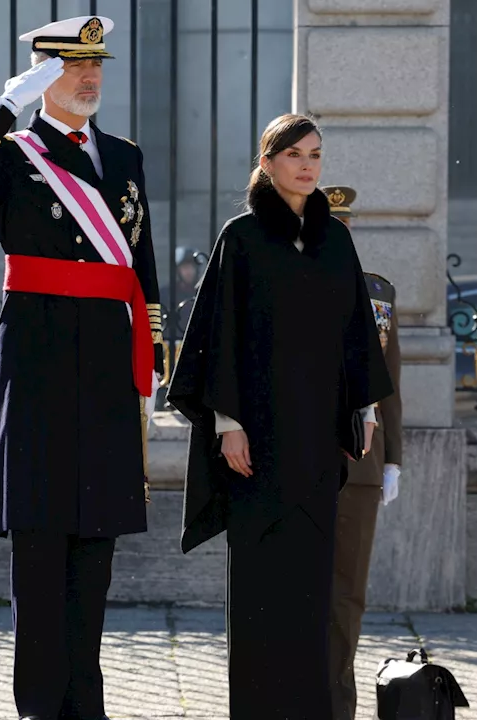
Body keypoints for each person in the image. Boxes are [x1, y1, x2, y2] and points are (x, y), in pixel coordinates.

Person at [0, 15, 165, 720]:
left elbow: (140, 263)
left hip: (102, 360)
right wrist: (7, 103)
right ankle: (40, 705)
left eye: (96, 64)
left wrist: (149, 355)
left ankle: (84, 705)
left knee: (94, 550)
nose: (90, 76)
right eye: (72, 66)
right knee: (40, 549)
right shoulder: (14, 152)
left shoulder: (123, 155)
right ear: (44, 75)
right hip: (36, 360)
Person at [167, 114, 392, 719]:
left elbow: (355, 334)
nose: (308, 165)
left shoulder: (335, 240)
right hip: (256, 446)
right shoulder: (240, 238)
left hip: (318, 442)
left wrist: (364, 407)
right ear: (267, 163)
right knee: (262, 593)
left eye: (316, 154)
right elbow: (220, 334)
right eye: (294, 154)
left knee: (312, 597)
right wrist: (227, 423)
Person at [321, 185, 404, 720]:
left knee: (347, 598)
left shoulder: (378, 294)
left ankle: (337, 708)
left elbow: (389, 380)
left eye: (345, 227)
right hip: (299, 460)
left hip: (360, 466)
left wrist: (393, 458)